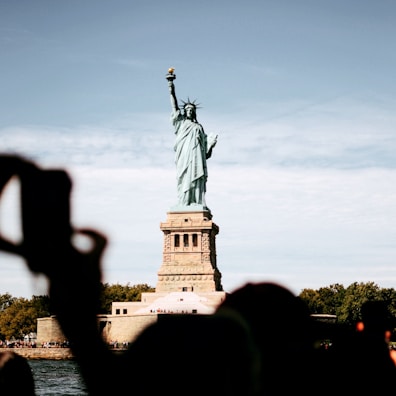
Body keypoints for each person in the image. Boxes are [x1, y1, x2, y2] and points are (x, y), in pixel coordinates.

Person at [167, 70, 218, 209]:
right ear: (184, 111)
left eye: (191, 109)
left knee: (197, 177)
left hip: (197, 157)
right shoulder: (181, 122)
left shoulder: (199, 127)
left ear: (194, 112)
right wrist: (171, 86)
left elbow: (205, 153)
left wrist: (211, 145)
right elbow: (174, 104)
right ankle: (183, 202)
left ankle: (198, 201)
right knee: (184, 177)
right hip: (184, 155)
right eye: (187, 109)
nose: (189, 111)